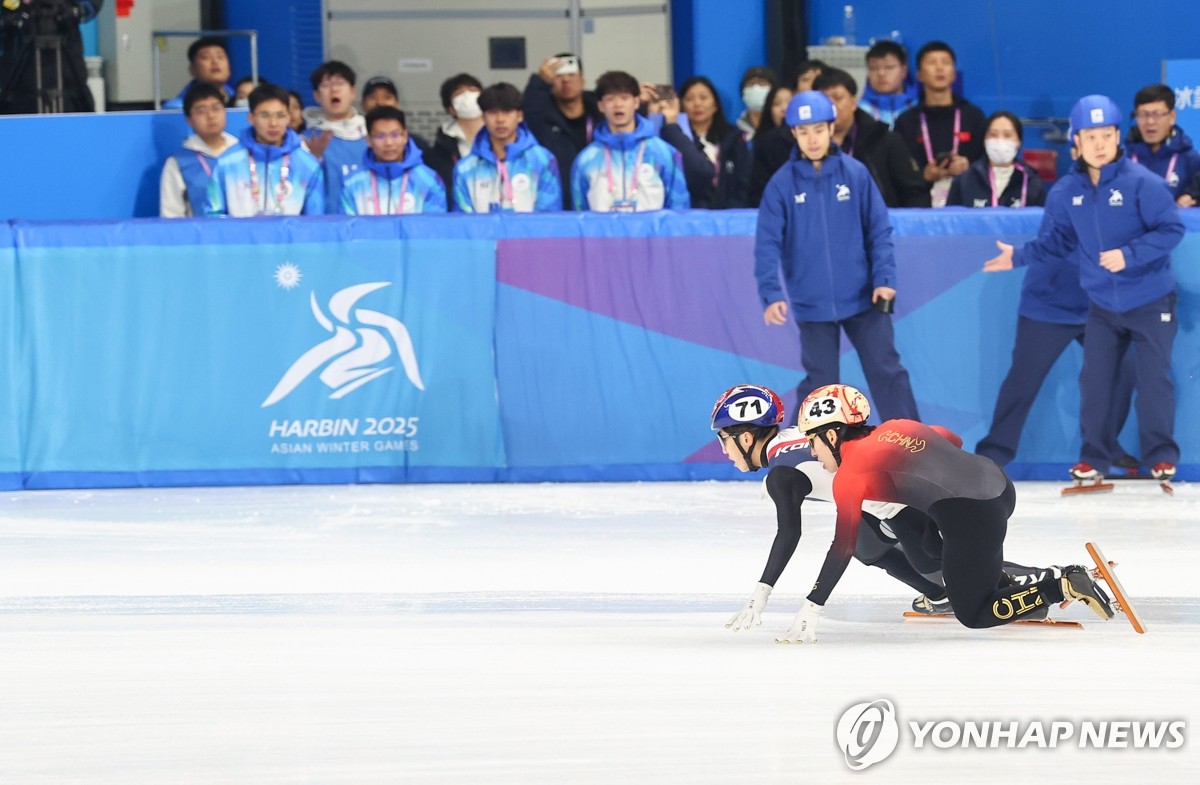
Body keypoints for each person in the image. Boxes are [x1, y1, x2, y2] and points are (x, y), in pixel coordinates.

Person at [778, 383, 1116, 643]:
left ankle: (1063, 586)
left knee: (973, 613)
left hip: (970, 514)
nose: (811, 451)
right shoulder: (899, 426)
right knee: (930, 550)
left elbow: (843, 548)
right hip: (998, 483)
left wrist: (813, 604)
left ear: (833, 434)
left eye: (812, 441)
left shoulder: (850, 475)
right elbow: (949, 438)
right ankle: (1012, 587)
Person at [983, 95, 1184, 484]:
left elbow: (1171, 229)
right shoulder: (1066, 190)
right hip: (1102, 304)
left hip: (1149, 297)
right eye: (1089, 137)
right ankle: (1094, 458)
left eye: (1106, 135)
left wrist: (1130, 255)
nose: (1098, 144)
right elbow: (1057, 242)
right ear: (1076, 141)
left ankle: (1161, 455)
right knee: (1094, 382)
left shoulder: (1145, 184)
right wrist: (1018, 257)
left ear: (1117, 138)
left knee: (1152, 378)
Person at [710, 384, 953, 633]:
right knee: (864, 546)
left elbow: (789, 534)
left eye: (723, 440)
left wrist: (760, 595)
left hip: (908, 500)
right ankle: (940, 595)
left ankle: (990, 581)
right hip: (907, 486)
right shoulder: (794, 437)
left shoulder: (781, 475)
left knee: (930, 560)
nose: (724, 451)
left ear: (747, 438)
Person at [755, 91, 920, 423]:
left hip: (864, 298)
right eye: (803, 131)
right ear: (793, 134)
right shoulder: (780, 185)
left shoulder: (856, 174)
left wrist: (885, 280)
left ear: (832, 128)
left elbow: (879, 231)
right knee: (821, 387)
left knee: (887, 371)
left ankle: (915, 448)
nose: (811, 139)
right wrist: (771, 294)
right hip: (811, 302)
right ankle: (799, 455)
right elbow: (766, 244)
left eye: (818, 129)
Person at [570, 70, 689, 212]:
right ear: (601, 106)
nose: (618, 104)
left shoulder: (663, 153)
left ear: (636, 102)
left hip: (653, 234)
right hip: (601, 234)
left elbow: (679, 209)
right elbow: (579, 213)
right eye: (610, 99)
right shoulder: (586, 159)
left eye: (624, 98)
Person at [815, 68, 930, 207]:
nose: (831, 106)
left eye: (837, 98)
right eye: (823, 100)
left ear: (853, 102)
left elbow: (915, 194)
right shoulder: (802, 144)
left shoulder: (884, 140)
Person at [207, 83, 324, 217]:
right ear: (251, 118)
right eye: (265, 115)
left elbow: (315, 222)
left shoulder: (307, 165)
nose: (273, 123)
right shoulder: (227, 163)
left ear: (288, 118)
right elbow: (213, 217)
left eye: (280, 115)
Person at [892, 41, 986, 207]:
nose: (940, 68)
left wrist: (969, 167)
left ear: (954, 74)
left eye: (946, 62)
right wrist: (924, 175)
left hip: (967, 203)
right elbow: (897, 171)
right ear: (920, 75)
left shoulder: (973, 116)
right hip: (919, 204)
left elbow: (988, 163)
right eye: (932, 63)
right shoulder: (906, 121)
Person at [452, 82, 561, 213]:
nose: (500, 119)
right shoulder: (466, 168)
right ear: (483, 117)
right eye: (493, 112)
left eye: (507, 111)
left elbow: (549, 218)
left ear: (520, 116)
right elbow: (463, 223)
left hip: (532, 234)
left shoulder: (543, 160)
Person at [522, 53, 603, 210]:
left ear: (582, 80)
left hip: (595, 203)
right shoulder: (542, 118)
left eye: (572, 75)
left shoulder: (599, 114)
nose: (566, 81)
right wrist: (540, 82)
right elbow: (528, 109)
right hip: (556, 203)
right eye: (559, 76)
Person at [658, 76, 750, 209]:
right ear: (681, 105)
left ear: (715, 104)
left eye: (703, 98)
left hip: (729, 217)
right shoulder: (675, 138)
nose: (697, 104)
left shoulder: (734, 138)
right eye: (689, 99)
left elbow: (743, 184)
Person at [340, 106, 445, 215]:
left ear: (405, 136)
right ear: (369, 140)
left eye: (395, 135)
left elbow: (434, 228)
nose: (389, 143)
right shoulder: (352, 184)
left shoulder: (429, 180)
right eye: (380, 136)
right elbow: (348, 229)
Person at [159, 82, 239, 218]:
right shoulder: (178, 163)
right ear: (189, 120)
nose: (211, 116)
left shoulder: (242, 153)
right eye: (201, 111)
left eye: (216, 108)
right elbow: (171, 215)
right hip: (201, 236)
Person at [303, 61, 367, 213]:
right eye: (326, 85)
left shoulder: (372, 135)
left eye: (340, 83)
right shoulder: (308, 140)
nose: (334, 89)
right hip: (326, 224)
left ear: (353, 92)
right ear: (317, 96)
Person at [946, 111, 1046, 208]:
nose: (1000, 140)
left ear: (1019, 142)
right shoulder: (966, 179)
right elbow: (951, 219)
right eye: (993, 135)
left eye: (1007, 135)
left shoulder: (1030, 180)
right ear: (984, 141)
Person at [1125, 83, 1200, 205]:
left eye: (1157, 114)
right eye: (1143, 114)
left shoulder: (1191, 160)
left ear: (1172, 116)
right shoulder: (1123, 158)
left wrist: (1193, 200)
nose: (1150, 121)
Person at [426, 73, 485, 193]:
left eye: (473, 90)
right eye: (459, 93)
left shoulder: (500, 137)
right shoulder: (440, 151)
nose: (467, 96)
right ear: (450, 108)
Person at [858, 40, 917, 130]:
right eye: (874, 68)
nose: (881, 73)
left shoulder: (918, 108)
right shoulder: (859, 112)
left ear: (904, 71)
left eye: (889, 67)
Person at [160, 35, 231, 110]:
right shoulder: (176, 109)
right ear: (192, 69)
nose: (215, 62)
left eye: (220, 57)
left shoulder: (240, 98)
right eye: (205, 57)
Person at [733, 66, 778, 143]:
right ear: (743, 93)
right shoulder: (734, 134)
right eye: (750, 84)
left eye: (762, 83)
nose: (756, 88)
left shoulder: (781, 128)